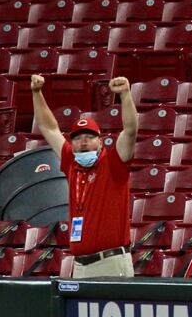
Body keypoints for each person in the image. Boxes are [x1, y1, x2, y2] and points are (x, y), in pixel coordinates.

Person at [30, 74, 138, 278]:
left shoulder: (114, 162)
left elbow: (130, 131)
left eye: (90, 137)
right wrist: (37, 93)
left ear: (101, 141)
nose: (84, 142)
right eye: (78, 138)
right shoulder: (72, 162)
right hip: (80, 264)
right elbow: (48, 127)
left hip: (111, 262)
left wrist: (125, 94)